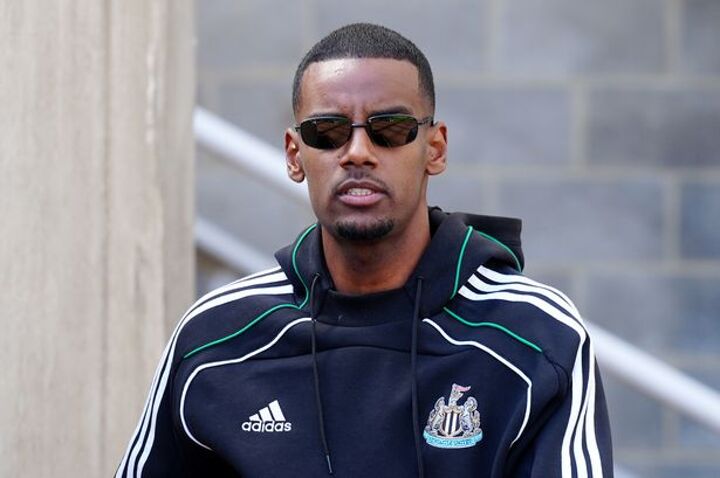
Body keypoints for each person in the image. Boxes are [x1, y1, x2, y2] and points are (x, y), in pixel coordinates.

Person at [116, 23, 613, 478]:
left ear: (435, 149)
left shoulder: (535, 336)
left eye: (390, 129)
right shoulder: (214, 339)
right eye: (328, 132)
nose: (357, 152)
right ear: (294, 155)